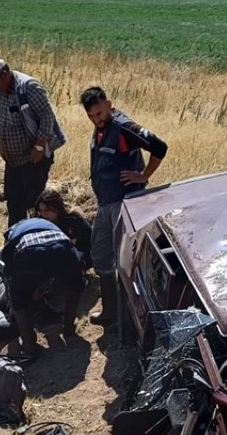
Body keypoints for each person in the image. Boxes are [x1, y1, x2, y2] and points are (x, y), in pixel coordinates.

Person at [80, 86, 168, 327]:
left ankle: (129, 319)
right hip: (106, 203)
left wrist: (143, 176)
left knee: (124, 261)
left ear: (109, 105)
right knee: (101, 256)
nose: (96, 119)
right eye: (91, 116)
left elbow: (160, 147)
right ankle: (110, 312)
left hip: (125, 203)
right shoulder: (100, 130)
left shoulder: (124, 128)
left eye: (99, 113)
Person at [0, 55, 66, 228]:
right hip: (12, 163)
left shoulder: (29, 88)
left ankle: (37, 241)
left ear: (5, 74)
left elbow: (47, 115)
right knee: (14, 204)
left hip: (32, 160)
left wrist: (39, 145)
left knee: (34, 206)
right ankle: (15, 245)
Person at [1, 217, 85, 355]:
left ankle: (29, 345)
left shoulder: (13, 233)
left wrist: (16, 300)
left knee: (19, 296)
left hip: (29, 253)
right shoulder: (47, 224)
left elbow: (8, 265)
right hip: (61, 248)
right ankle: (69, 327)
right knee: (75, 285)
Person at [33, 189, 93, 273]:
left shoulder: (74, 222)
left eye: (47, 210)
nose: (44, 214)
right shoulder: (38, 225)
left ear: (57, 208)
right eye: (41, 211)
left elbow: (91, 242)